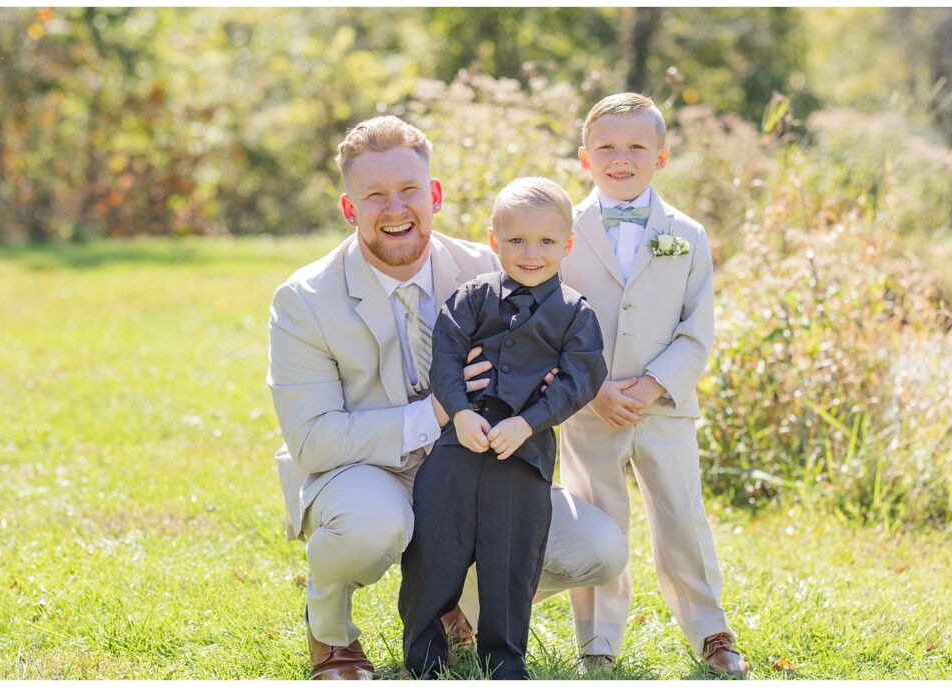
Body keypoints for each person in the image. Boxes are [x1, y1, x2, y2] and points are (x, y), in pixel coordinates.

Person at [267, 115, 628, 680]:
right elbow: (313, 441)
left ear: (433, 195)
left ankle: (456, 606)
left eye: (409, 190)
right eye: (375, 196)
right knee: (371, 526)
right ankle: (331, 634)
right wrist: (436, 412)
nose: (396, 209)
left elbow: (563, 350)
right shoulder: (304, 299)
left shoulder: (491, 266)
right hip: (368, 471)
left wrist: (554, 395)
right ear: (348, 208)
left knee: (598, 548)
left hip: (480, 464)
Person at [558, 93, 750, 677]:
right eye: (607, 147)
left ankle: (710, 627)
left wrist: (655, 384)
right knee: (598, 516)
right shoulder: (561, 231)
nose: (622, 158)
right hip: (590, 405)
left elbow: (698, 328)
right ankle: (598, 639)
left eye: (637, 147)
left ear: (660, 157)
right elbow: (547, 314)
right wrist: (591, 389)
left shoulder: (685, 234)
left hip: (663, 405)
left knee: (682, 516)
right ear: (585, 158)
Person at [399, 178, 607, 679]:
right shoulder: (470, 298)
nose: (530, 253)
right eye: (516, 240)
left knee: (513, 558)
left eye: (545, 242)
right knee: (434, 549)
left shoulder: (576, 314)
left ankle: (505, 660)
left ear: (567, 245)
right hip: (457, 445)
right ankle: (424, 657)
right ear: (494, 240)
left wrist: (529, 421)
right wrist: (460, 411)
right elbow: (445, 356)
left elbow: (582, 379)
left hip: (524, 454)